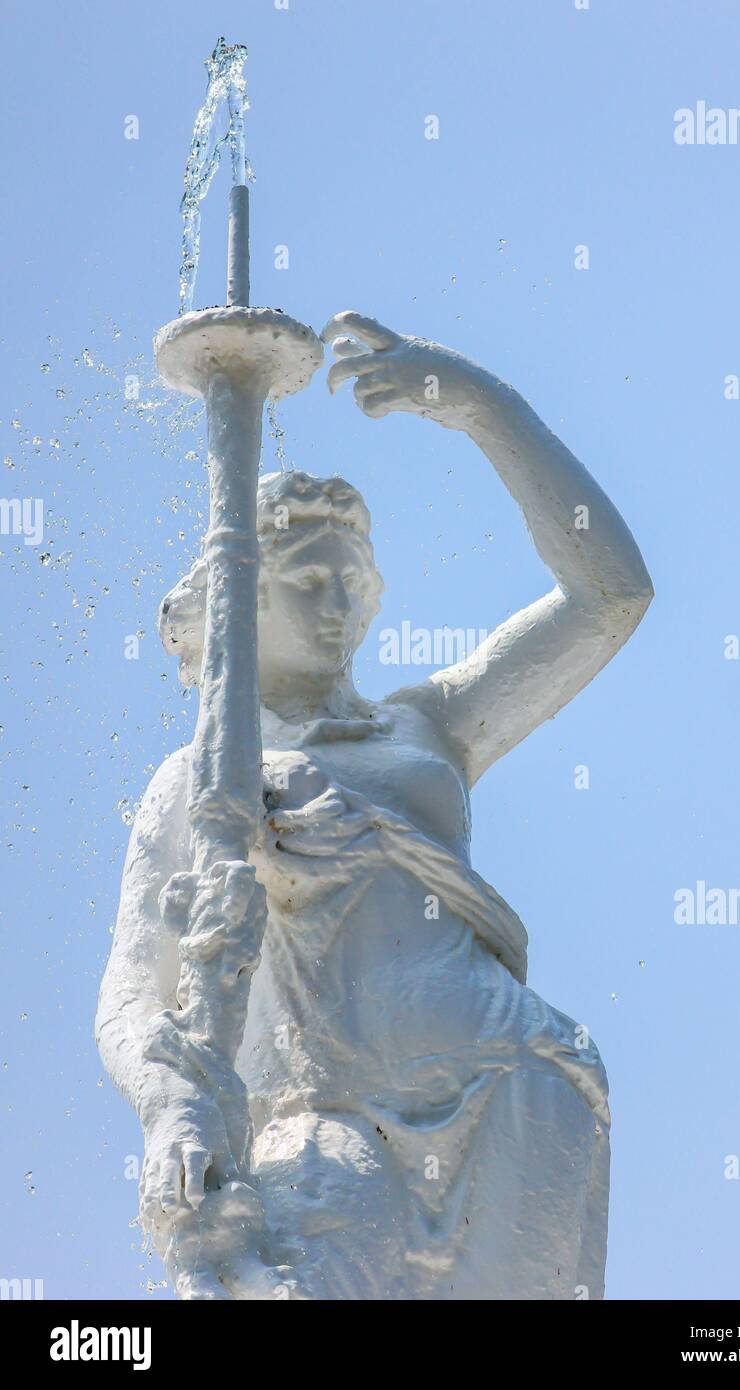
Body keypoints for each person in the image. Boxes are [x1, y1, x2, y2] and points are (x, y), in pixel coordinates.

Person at [96, 311, 653, 1300]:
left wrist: (484, 407)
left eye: (356, 577)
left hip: (511, 1090)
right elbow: (135, 997)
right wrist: (173, 1108)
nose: (342, 598)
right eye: (309, 577)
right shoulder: (200, 778)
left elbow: (608, 595)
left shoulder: (424, 727)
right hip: (320, 1117)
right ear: (237, 601)